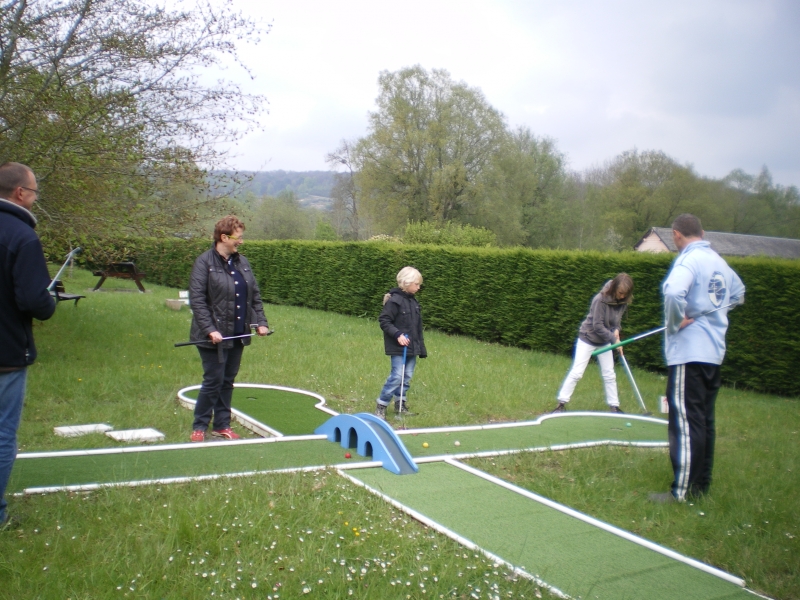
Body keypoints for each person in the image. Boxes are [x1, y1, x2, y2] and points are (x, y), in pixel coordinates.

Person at [649, 214, 744, 503]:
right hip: (713, 352)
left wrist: (676, 322)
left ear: (676, 235)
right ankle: (701, 487)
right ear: (701, 232)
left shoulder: (689, 260)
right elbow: (739, 294)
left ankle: (681, 492)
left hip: (689, 352)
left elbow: (674, 291)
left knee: (686, 422)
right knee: (703, 420)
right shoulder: (718, 261)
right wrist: (712, 312)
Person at [0, 162, 57, 528]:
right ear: (20, 193)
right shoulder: (22, 236)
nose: (35, 199)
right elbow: (36, 302)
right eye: (34, 192)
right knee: (3, 434)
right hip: (5, 353)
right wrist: (49, 302)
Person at [188, 215, 270, 442]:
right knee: (213, 379)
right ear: (224, 237)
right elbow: (197, 300)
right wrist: (209, 329)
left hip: (237, 333)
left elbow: (254, 296)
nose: (241, 242)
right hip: (212, 336)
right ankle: (199, 425)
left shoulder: (242, 263)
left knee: (227, 380)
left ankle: (222, 424)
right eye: (238, 238)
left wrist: (261, 322)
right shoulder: (204, 262)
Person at [551, 273, 634, 413]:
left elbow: (616, 323)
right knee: (577, 372)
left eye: (625, 294)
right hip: (587, 338)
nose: (622, 297)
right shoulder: (600, 300)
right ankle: (561, 404)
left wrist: (616, 331)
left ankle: (614, 406)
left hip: (605, 340)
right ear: (614, 289)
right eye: (620, 293)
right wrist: (614, 340)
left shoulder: (623, 301)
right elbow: (598, 325)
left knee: (609, 374)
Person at [375, 266, 427, 421]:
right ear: (406, 283)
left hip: (412, 347)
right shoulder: (394, 301)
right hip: (398, 347)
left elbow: (417, 328)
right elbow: (384, 321)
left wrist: (420, 348)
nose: (419, 287)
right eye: (417, 284)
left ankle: (400, 405)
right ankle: (381, 405)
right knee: (397, 376)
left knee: (407, 377)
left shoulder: (414, 302)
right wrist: (397, 335)